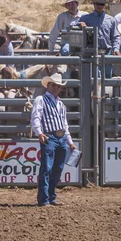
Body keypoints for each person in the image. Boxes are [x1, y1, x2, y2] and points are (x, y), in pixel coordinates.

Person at [30, 73, 77, 206]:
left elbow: (65, 125)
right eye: (54, 85)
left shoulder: (61, 105)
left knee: (57, 168)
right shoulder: (41, 99)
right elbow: (35, 117)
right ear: (48, 86)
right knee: (47, 168)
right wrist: (39, 133)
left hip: (60, 138)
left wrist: (70, 142)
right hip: (49, 137)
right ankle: (45, 198)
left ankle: (50, 196)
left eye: (58, 86)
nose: (56, 88)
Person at [72, 0, 120, 78]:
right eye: (97, 3)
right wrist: (80, 24)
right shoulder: (85, 18)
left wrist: (116, 49)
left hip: (107, 53)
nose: (99, 6)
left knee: (107, 79)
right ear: (94, 4)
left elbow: (116, 36)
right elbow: (71, 26)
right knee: (94, 79)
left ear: (104, 5)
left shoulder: (111, 20)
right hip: (92, 53)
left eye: (101, 4)